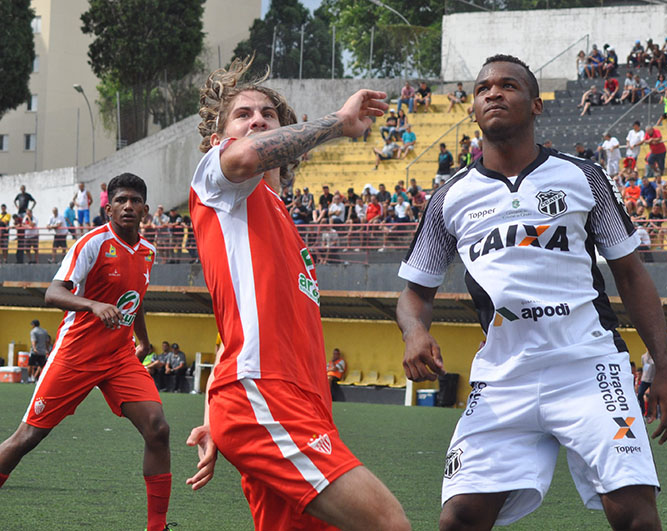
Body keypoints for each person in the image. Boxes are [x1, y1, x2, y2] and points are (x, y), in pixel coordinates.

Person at [396, 54, 667, 530]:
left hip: (587, 367)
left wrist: (665, 366)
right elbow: (414, 294)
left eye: (508, 85)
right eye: (484, 87)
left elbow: (631, 275)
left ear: (536, 105)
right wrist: (414, 333)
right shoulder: (450, 196)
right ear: (473, 107)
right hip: (504, 376)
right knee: (460, 517)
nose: (493, 93)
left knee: (634, 512)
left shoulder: (583, 177)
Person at [186, 56, 409, 530]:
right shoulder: (219, 181)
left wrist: (213, 419)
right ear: (217, 139)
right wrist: (337, 122)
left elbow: (231, 337)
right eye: (243, 115)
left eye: (267, 115)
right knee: (389, 524)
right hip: (263, 396)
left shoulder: (281, 221)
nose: (257, 120)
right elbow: (245, 156)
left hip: (293, 404)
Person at [0, 174, 172, 531]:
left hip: (120, 357)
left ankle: (157, 527)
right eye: (121, 200)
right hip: (76, 354)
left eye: (135, 200)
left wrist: (143, 340)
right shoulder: (91, 243)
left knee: (158, 429)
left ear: (144, 209)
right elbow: (53, 292)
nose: (128, 206)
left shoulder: (148, 252)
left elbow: (135, 297)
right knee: (29, 437)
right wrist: (92, 305)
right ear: (108, 207)